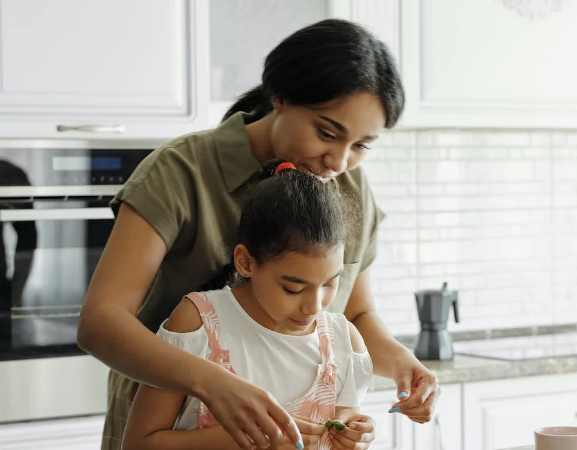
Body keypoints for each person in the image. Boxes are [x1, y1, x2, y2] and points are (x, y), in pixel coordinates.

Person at [78, 18, 440, 450]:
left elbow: (355, 316)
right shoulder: (181, 171)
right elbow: (101, 323)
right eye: (327, 132)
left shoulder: (350, 190)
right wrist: (215, 383)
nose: (340, 161)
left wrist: (402, 363)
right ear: (280, 98)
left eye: (361, 145)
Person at [122, 160, 374, 450]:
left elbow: (343, 423)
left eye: (330, 283)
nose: (314, 307)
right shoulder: (198, 324)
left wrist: (356, 433)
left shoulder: (343, 342)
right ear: (245, 262)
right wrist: (239, 440)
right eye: (294, 288)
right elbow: (138, 444)